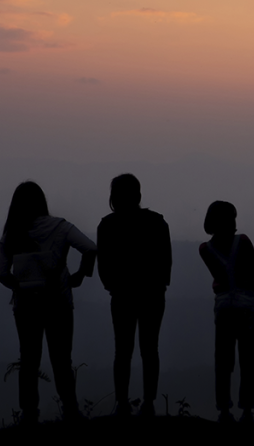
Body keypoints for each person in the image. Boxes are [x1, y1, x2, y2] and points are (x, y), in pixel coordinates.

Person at [0, 181, 97, 425]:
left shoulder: (13, 232)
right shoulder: (61, 227)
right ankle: (71, 411)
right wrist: (80, 275)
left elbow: (0, 272)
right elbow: (91, 248)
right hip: (59, 302)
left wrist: (19, 285)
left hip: (26, 307)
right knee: (62, 360)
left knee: (29, 359)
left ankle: (29, 415)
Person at [96, 174, 172, 417]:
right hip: (152, 295)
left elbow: (104, 267)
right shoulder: (157, 222)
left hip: (122, 296)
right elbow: (166, 262)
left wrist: (114, 287)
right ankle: (148, 403)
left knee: (123, 350)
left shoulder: (107, 225)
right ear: (138, 196)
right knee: (150, 349)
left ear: (113, 197)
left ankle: (122, 403)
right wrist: (159, 286)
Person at [198, 201, 254, 424]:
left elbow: (220, 276)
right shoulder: (242, 241)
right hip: (248, 307)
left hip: (224, 308)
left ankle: (224, 410)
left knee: (223, 361)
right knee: (249, 360)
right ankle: (247, 411)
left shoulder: (205, 249)